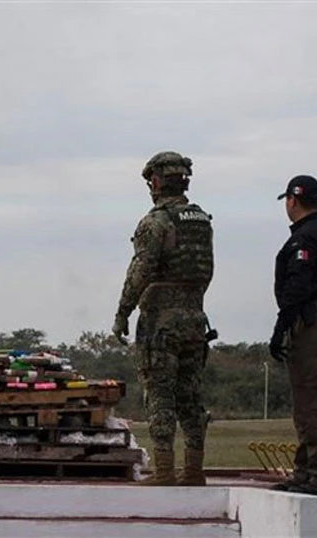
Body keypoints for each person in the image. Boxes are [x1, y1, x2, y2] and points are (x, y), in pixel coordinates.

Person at [112, 151, 214, 486]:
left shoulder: (155, 223)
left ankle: (166, 471)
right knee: (191, 396)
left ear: (156, 181)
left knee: (160, 393)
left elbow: (140, 270)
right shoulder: (200, 221)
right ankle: (194, 470)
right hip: (196, 320)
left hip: (161, 323)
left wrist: (123, 312)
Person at [269, 175, 317, 496]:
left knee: (313, 402)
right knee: (307, 402)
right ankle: (306, 471)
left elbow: (298, 284)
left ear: (292, 200)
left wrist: (280, 325)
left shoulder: (305, 238)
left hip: (309, 321)